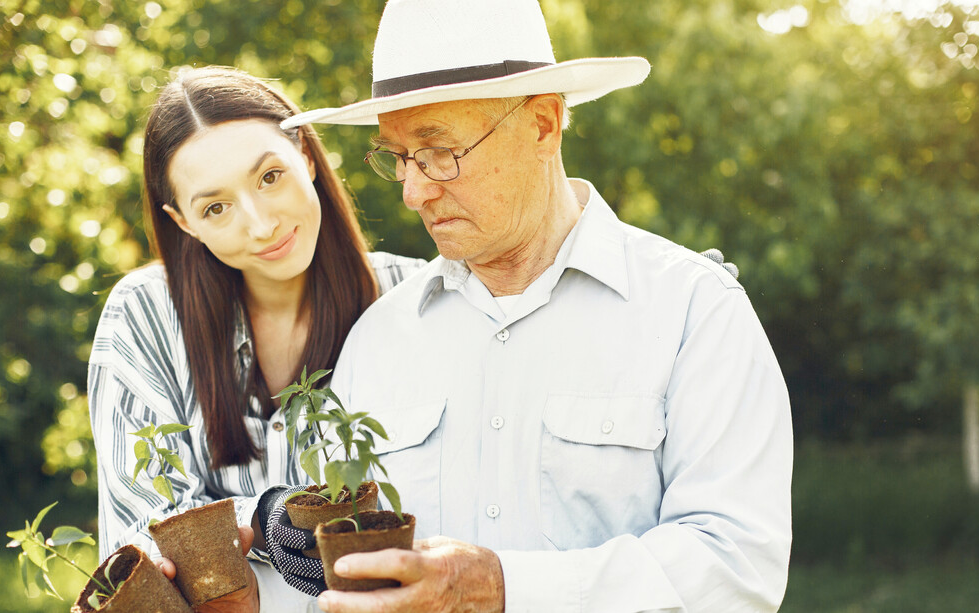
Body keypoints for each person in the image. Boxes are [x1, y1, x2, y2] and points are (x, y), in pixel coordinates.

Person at [258, 0, 795, 612]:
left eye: (439, 151)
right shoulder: (380, 338)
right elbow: (337, 581)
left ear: (542, 124)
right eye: (398, 158)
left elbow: (734, 565)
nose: (413, 191)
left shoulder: (695, 311)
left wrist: (502, 588)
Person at [86, 65, 426, 610]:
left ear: (307, 156)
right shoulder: (144, 315)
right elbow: (141, 538)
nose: (261, 223)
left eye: (270, 177)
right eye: (215, 207)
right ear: (184, 222)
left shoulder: (415, 298)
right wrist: (263, 516)